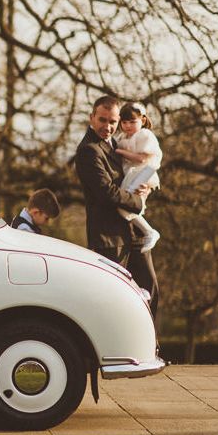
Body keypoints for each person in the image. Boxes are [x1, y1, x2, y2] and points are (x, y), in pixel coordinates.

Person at [74, 95, 159, 318]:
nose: (108, 126)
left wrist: (146, 187)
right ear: (92, 117)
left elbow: (138, 168)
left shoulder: (116, 143)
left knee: (150, 293)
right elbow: (106, 193)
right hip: (110, 239)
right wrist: (138, 202)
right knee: (116, 303)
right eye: (102, 120)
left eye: (113, 121)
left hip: (132, 234)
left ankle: (149, 348)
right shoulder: (89, 150)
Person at [115, 102, 162, 253]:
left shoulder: (145, 135)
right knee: (126, 207)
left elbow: (142, 158)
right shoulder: (122, 137)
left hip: (142, 173)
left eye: (132, 122)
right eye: (124, 122)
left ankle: (149, 232)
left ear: (142, 120)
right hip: (132, 173)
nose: (128, 126)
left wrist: (121, 152)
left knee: (126, 206)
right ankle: (146, 232)